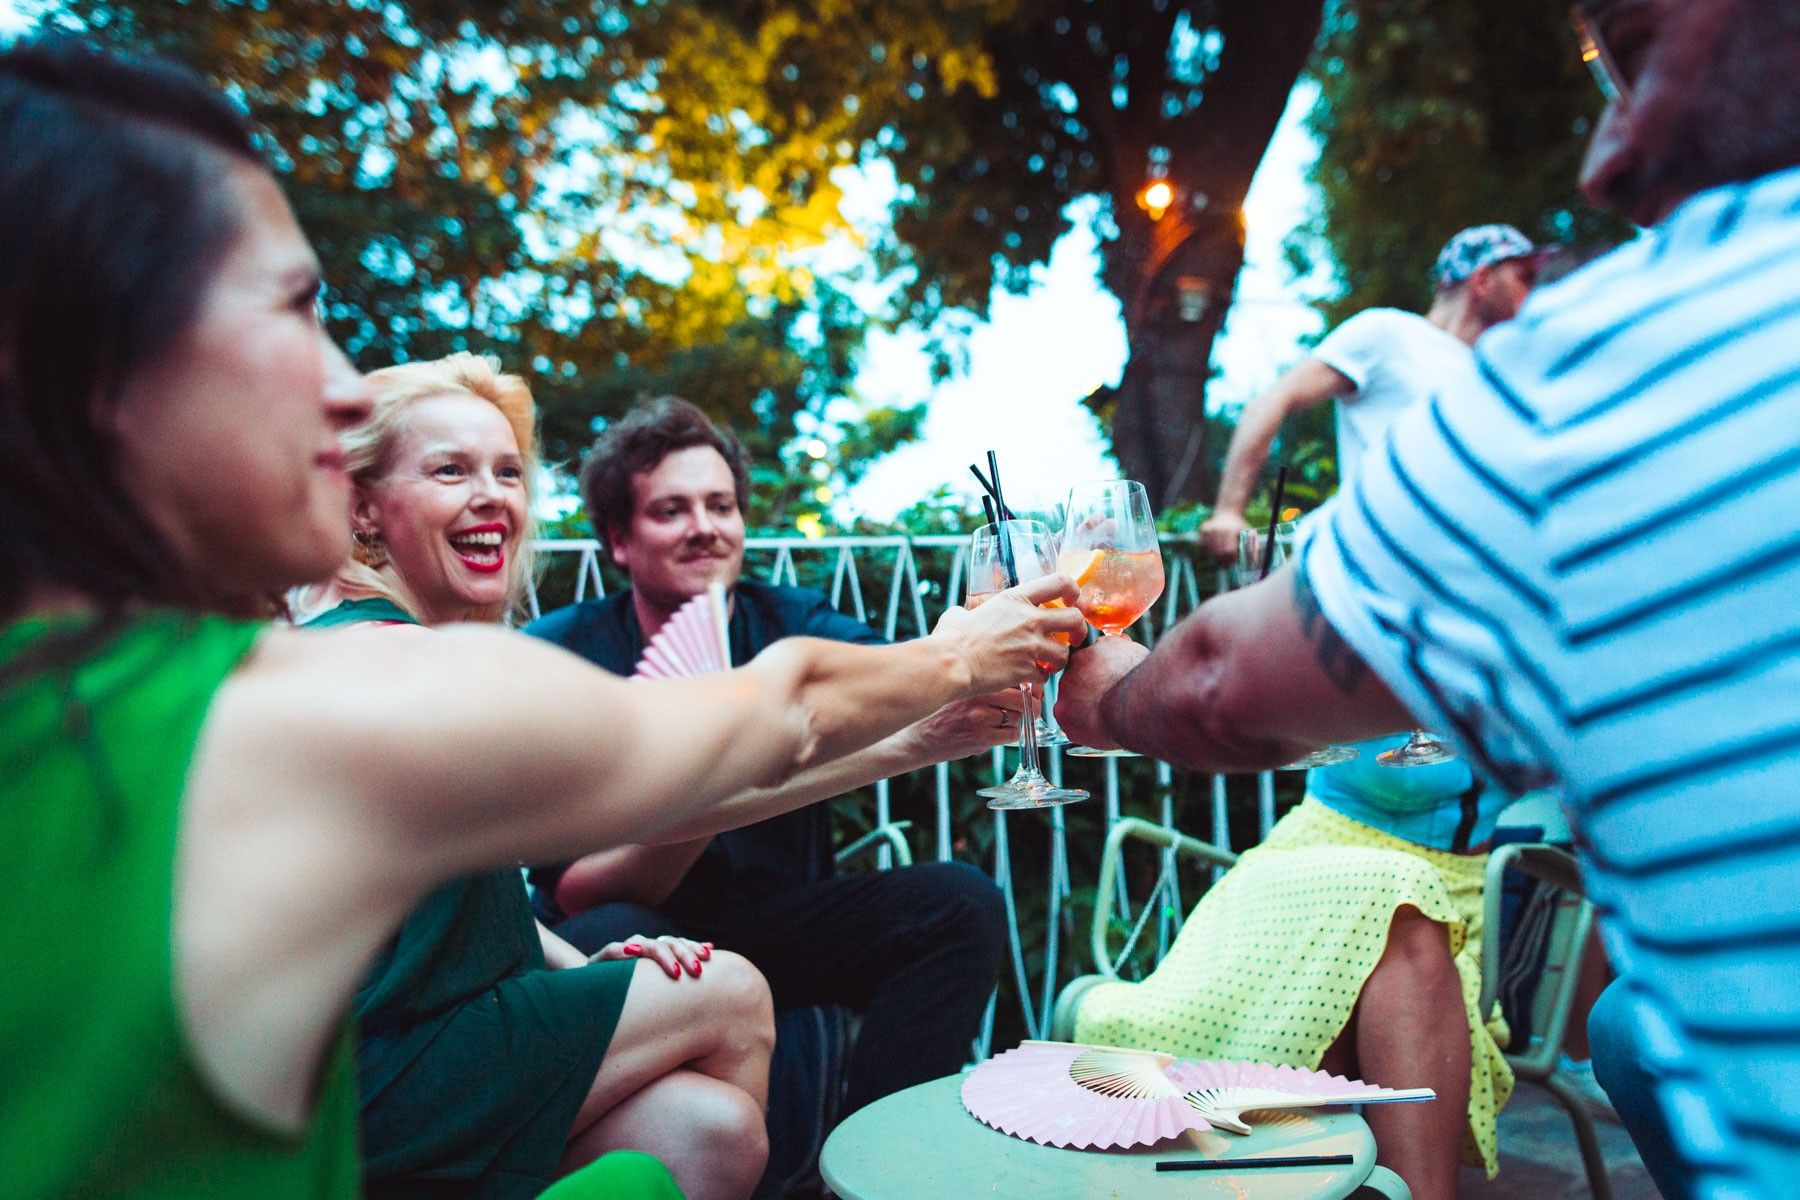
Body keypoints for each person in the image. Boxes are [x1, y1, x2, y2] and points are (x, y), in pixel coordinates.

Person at [0, 38, 1085, 1199]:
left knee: (699, 1128)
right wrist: (961, 649)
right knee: (721, 1036)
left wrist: (916, 734)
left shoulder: (102, 702)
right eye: (295, 308)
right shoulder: (314, 694)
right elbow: (764, 717)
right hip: (407, 1086)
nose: (343, 384)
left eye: (508, 470)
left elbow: (669, 793)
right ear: (92, 360)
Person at [1057, 1, 1800, 1196]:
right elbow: (1282, 402)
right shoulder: (1405, 343)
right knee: (1618, 1026)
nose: (1603, 165)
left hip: (1413, 651)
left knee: (1505, 954)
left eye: (1636, 56)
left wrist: (1099, 697)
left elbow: (1212, 684)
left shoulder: (1588, 371)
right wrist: (1233, 508)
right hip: (1414, 630)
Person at [298, 354, 779, 1200]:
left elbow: (464, 893)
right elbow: (655, 792)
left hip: (429, 1041)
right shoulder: (387, 652)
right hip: (371, 1074)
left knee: (714, 1131)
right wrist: (932, 703)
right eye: (451, 470)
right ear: (364, 509)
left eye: (508, 472)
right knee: (730, 993)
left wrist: (579, 962)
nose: (493, 496)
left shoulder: (417, 648)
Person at [526, 399, 1016, 1128]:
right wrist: (715, 779)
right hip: (630, 924)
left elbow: (902, 683)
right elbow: (576, 895)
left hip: (777, 921)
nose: (705, 527)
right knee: (610, 931)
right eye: (672, 510)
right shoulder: (562, 652)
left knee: (961, 902)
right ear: (619, 541)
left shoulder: (791, 619)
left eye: (721, 505)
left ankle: (872, 1161)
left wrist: (965, 652)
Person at [1073, 741, 1511, 1196]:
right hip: (1297, 862)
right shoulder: (1357, 671)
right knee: (1377, 925)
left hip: (1435, 880)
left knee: (1402, 897)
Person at [1199, 223, 1550, 565]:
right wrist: (1229, 512)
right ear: (1484, 279)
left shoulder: (1496, 375)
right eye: (1524, 278)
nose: (1534, 294)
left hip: (1462, 578)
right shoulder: (1389, 333)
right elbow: (1276, 399)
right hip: (1376, 569)